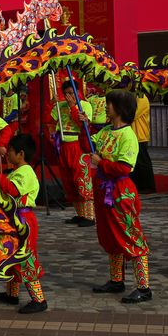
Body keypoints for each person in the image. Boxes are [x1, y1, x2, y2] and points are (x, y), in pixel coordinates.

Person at [82, 90, 152, 304]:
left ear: (120, 108)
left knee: (130, 235)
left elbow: (124, 167)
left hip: (120, 192)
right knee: (110, 236)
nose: (106, 107)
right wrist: (83, 126)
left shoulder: (128, 136)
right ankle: (116, 279)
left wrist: (101, 162)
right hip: (104, 190)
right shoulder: (105, 132)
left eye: (109, 104)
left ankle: (144, 286)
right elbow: (88, 145)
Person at [0, 134, 48, 313]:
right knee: (12, 255)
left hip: (23, 220)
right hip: (16, 218)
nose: (7, 154)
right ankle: (12, 294)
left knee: (25, 258)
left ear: (21, 154)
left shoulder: (25, 172)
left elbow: (11, 189)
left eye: (10, 151)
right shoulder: (17, 171)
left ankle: (39, 299)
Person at [50, 80, 95, 226]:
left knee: (81, 180)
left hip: (78, 146)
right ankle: (80, 214)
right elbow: (50, 120)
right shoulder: (60, 106)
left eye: (71, 93)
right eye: (66, 94)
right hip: (63, 146)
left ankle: (89, 216)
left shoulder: (85, 105)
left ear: (77, 92)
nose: (68, 97)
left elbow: (81, 125)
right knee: (69, 181)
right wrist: (53, 104)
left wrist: (73, 107)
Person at [131, 93, 156, 194]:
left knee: (143, 162)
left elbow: (133, 115)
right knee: (135, 163)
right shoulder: (133, 96)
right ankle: (138, 185)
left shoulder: (141, 98)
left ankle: (149, 186)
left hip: (140, 134)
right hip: (132, 134)